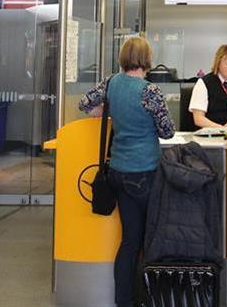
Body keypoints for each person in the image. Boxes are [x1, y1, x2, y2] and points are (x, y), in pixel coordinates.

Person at [78, 36, 175, 307]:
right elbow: (167, 131)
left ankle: (125, 301)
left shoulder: (111, 83)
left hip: (118, 170)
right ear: (147, 59)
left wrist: (102, 110)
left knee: (129, 241)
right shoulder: (150, 91)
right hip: (144, 172)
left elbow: (85, 104)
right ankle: (148, 298)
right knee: (148, 238)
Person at [189, 45, 227, 128]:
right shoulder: (204, 83)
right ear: (218, 64)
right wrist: (222, 128)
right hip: (212, 132)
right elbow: (198, 119)